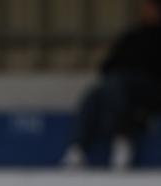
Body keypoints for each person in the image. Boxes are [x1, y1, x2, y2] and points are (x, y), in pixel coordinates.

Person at [62, 0, 161, 169]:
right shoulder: (132, 36)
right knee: (94, 95)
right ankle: (77, 148)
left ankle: (122, 137)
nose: (146, 12)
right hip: (122, 86)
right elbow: (107, 65)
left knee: (117, 85)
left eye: (151, 9)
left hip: (151, 87)